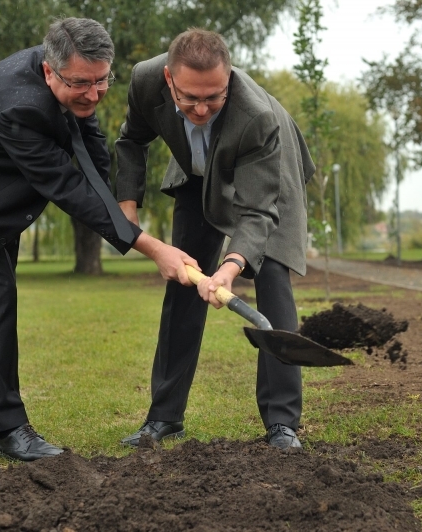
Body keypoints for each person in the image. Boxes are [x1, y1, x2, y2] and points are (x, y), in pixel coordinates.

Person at [0, 18, 197, 462]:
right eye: (82, 83)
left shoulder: (69, 85)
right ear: (49, 72)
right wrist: (151, 246)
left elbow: (89, 147)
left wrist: (122, 208)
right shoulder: (17, 106)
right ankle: (8, 430)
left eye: (102, 81)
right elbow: (66, 187)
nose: (94, 95)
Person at [115, 28, 314, 450]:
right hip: (196, 172)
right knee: (183, 282)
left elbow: (259, 210)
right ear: (169, 79)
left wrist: (231, 265)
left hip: (267, 170)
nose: (201, 109)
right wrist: (127, 203)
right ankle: (163, 417)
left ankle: (282, 422)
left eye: (214, 97)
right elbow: (131, 140)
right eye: (189, 98)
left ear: (229, 81)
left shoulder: (258, 116)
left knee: (272, 277)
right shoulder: (145, 79)